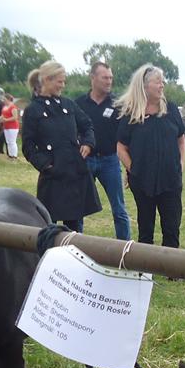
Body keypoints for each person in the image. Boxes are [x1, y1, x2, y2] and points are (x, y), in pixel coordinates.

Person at [21, 60, 102, 232]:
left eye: (64, 81)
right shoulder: (33, 110)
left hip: (74, 173)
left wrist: (88, 143)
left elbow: (87, 125)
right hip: (53, 177)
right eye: (60, 81)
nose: (62, 85)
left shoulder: (68, 105)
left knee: (75, 228)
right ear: (47, 80)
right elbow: (28, 146)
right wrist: (46, 164)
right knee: (49, 225)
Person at [116, 64, 185, 249]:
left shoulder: (170, 109)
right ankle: (145, 270)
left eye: (162, 82)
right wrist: (134, 169)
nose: (162, 85)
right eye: (158, 82)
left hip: (170, 179)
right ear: (145, 86)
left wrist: (181, 164)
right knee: (145, 227)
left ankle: (172, 270)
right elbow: (121, 147)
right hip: (143, 181)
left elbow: (181, 139)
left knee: (171, 226)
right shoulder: (131, 113)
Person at [76, 62, 131, 240]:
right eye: (105, 77)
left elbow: (126, 137)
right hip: (85, 161)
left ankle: (124, 250)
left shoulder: (118, 104)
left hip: (110, 161)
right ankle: (73, 245)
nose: (109, 81)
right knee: (77, 207)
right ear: (93, 78)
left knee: (119, 209)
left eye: (111, 78)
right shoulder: (79, 104)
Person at [0, 92, 20, 160]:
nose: (3, 101)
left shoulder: (13, 107)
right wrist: (0, 118)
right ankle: (10, 155)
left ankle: (14, 155)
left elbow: (15, 117)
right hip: (6, 126)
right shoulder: (4, 107)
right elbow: (3, 115)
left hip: (13, 127)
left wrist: (6, 119)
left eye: (4, 99)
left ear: (8, 99)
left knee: (12, 141)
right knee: (8, 141)